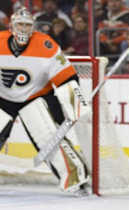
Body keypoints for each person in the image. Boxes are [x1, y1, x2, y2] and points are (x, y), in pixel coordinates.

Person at [0, 7, 89, 194]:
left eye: (27, 25)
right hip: (3, 98)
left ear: (33, 28)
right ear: (11, 27)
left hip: (34, 96)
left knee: (48, 136)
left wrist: (75, 102)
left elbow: (67, 77)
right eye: (19, 25)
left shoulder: (46, 45)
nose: (23, 29)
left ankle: (75, 178)